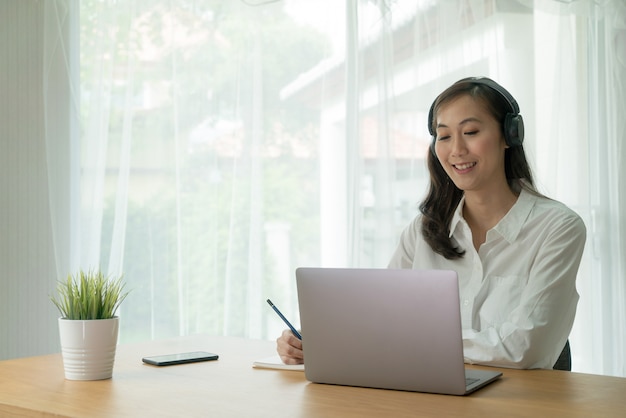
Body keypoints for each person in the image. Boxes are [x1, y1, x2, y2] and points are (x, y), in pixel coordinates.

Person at [276, 77, 586, 369]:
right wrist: (318, 339)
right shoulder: (423, 231)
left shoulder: (557, 228)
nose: (456, 150)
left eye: (471, 132)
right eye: (444, 135)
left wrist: (412, 342)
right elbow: (380, 313)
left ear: (509, 135)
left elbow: (525, 347)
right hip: (435, 395)